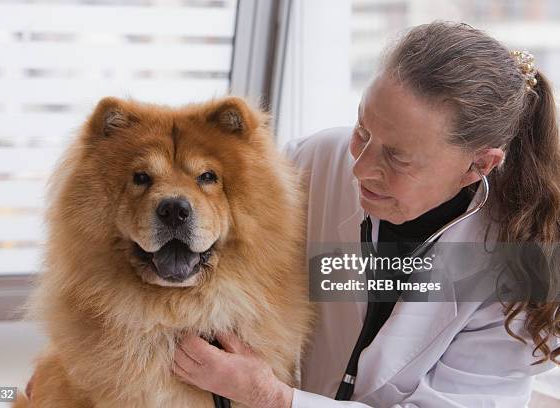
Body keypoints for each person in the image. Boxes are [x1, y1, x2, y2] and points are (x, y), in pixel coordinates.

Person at [172, 21, 560, 407]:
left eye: (396, 157)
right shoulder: (314, 162)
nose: (359, 167)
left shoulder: (518, 265)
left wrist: (271, 397)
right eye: (362, 129)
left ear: (480, 165)